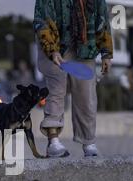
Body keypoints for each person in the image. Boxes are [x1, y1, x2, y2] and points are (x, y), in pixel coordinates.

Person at [34, 0, 113, 157]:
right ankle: (53, 142)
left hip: (83, 47)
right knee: (56, 87)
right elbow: (42, 20)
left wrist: (106, 53)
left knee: (86, 95)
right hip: (53, 46)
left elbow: (102, 19)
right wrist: (52, 50)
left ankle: (89, 143)